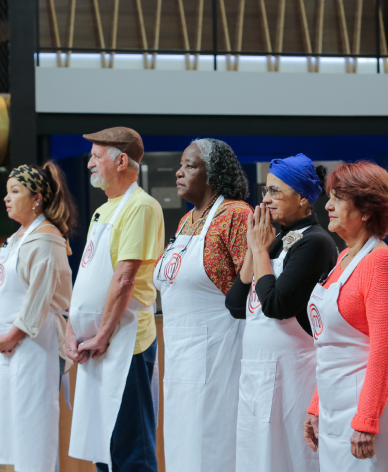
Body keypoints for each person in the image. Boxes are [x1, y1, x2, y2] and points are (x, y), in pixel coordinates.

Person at [225, 154, 337, 472]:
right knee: (257, 458)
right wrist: (253, 248)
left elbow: (277, 306)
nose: (267, 199)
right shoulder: (277, 241)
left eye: (277, 191)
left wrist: (260, 250)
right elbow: (235, 305)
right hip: (257, 374)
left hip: (294, 375)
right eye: (266, 191)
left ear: (303, 198)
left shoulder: (315, 243)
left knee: (291, 459)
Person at [66, 127, 164, 472]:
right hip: (97, 343)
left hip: (126, 343)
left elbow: (124, 280)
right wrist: (71, 331)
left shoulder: (141, 206)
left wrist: (101, 335)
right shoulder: (102, 211)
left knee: (130, 447)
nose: (90, 163)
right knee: (103, 444)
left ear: (121, 161)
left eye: (97, 156)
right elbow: (87, 281)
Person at [303, 161, 388, 471]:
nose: (328, 205)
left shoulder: (383, 262)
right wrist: (316, 405)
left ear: (365, 210)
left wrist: (367, 419)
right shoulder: (342, 259)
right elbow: (329, 348)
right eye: (330, 196)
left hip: (367, 405)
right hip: (335, 400)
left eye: (338, 198)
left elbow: (384, 351)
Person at [154, 139, 252, 472]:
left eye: (190, 166)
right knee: (182, 444)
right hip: (180, 357)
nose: (179, 173)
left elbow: (253, 290)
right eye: (181, 165)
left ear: (212, 174)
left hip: (220, 356)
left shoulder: (236, 215)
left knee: (211, 447)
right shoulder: (185, 222)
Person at [0, 162, 77, 472]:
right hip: (11, 344)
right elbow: (2, 289)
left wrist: (12, 335)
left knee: (34, 423)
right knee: (17, 422)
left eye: (15, 191)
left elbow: (39, 296)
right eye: (6, 192)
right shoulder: (16, 238)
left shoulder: (47, 237)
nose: (6, 198)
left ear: (36, 197)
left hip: (37, 343)